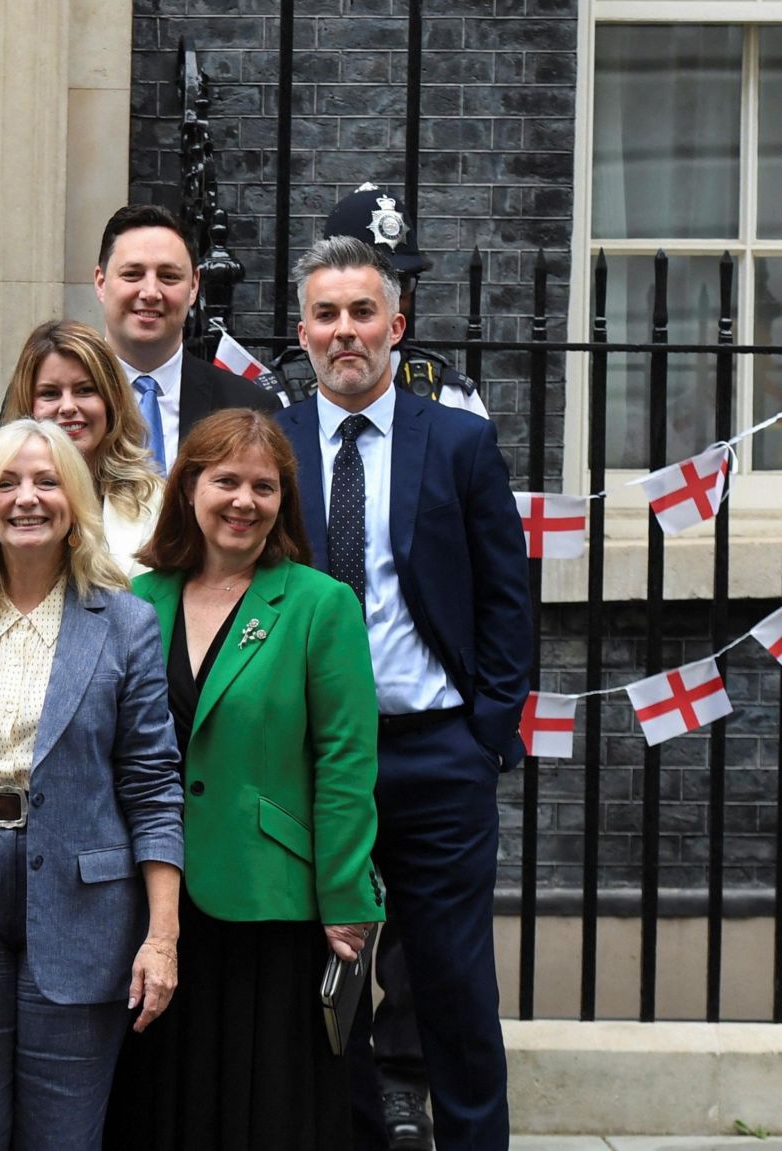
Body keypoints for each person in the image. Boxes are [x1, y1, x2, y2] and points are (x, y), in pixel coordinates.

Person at [275, 237, 529, 1151]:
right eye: (327, 315)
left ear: (397, 324)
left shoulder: (457, 440)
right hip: (307, 756)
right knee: (318, 974)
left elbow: (507, 596)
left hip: (435, 753)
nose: (346, 332)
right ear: (302, 331)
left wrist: (487, 734)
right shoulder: (273, 444)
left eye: (363, 313)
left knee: (456, 982)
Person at [0, 418, 183, 1149]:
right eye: (7, 482)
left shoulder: (129, 624)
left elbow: (152, 782)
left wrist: (163, 934)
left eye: (47, 481)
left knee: (62, 1134)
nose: (27, 498)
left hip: (84, 905)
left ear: (75, 501)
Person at [105, 407, 385, 1149]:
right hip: (152, 898)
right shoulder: (139, 599)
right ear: (189, 487)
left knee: (267, 1110)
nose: (244, 500)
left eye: (264, 486)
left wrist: (348, 897)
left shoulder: (321, 604)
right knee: (161, 1102)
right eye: (225, 480)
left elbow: (347, 762)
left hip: (273, 904)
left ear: (283, 501)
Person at [267, 184, 488, 428]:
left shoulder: (449, 397)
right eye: (328, 313)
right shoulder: (277, 398)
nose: (392, 298)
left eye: (401, 283)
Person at [94, 204, 279, 473]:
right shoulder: (51, 401)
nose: (150, 292)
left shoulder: (249, 406)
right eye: (132, 274)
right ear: (101, 282)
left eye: (168, 276)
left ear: (193, 286)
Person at [0, 319, 164, 575]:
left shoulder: (155, 500)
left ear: (111, 402)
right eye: (50, 393)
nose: (67, 407)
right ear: (27, 405)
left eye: (85, 390)